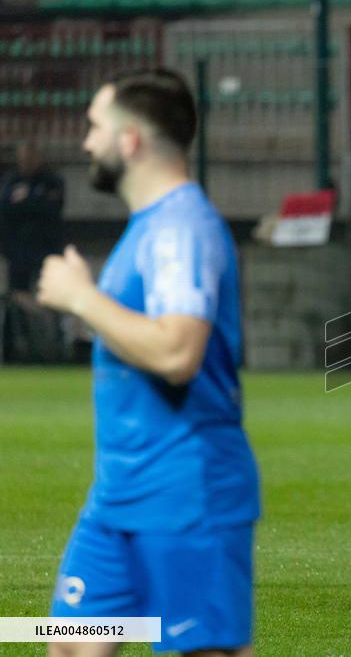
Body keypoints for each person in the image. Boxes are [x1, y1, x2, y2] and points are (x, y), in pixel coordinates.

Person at [37, 68, 259, 656]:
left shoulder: (180, 229)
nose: (86, 142)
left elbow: (177, 352)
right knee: (69, 644)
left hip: (186, 494)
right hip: (118, 495)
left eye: (95, 127)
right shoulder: (151, 228)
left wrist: (81, 299)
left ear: (130, 140)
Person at [0, 141, 65, 362]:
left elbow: (51, 208)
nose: (26, 163)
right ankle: (19, 346)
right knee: (18, 296)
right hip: (17, 251)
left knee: (49, 295)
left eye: (30, 158)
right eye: (23, 159)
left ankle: (54, 347)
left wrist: (25, 199)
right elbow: (5, 207)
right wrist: (33, 200)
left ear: (39, 158)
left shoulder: (52, 181)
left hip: (46, 250)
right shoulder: (10, 181)